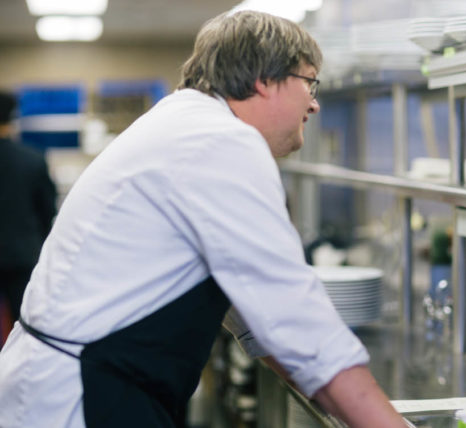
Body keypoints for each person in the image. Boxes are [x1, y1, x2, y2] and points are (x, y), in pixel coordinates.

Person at [0, 11, 405, 427]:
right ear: (264, 79)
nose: (315, 103)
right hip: (80, 397)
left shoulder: (190, 126)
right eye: (309, 82)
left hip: (72, 385)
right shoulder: (218, 142)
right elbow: (296, 317)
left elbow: (262, 314)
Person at [0, 91, 57, 345]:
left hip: (21, 254)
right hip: (23, 257)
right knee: (24, 330)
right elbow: (47, 211)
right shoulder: (32, 160)